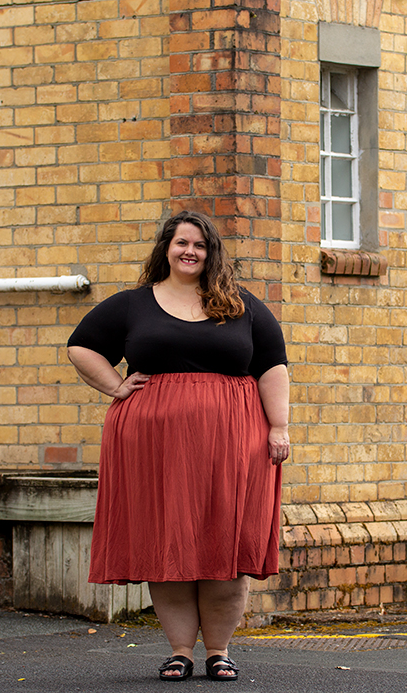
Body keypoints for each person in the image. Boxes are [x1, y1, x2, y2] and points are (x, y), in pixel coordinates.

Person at [67, 210, 290, 682]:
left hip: (232, 443)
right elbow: (81, 346)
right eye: (181, 242)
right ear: (166, 248)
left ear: (212, 254)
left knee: (225, 545)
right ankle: (181, 651)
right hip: (153, 446)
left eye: (200, 245)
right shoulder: (133, 304)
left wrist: (279, 428)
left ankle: (219, 651)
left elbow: (272, 366)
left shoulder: (241, 305)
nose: (190, 252)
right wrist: (115, 386)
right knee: (166, 542)